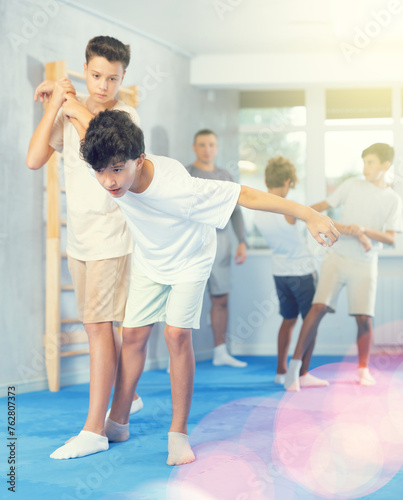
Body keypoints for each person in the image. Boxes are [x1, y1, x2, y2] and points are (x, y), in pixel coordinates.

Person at [78, 109, 339, 465]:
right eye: (100, 171)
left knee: (175, 335)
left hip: (190, 258)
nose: (109, 181)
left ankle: (179, 434)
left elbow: (245, 195)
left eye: (117, 169)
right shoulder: (111, 162)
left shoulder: (179, 189)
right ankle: (118, 422)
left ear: (139, 160)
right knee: (134, 335)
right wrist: (65, 100)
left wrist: (308, 213)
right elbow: (87, 126)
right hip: (151, 258)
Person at [26, 36, 142, 460]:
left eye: (112, 78)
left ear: (123, 79)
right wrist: (55, 102)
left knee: (100, 330)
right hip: (80, 240)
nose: (102, 85)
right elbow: (35, 158)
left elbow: (101, 151)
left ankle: (95, 429)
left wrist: (68, 100)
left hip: (113, 239)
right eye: (95, 75)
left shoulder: (126, 115)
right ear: (85, 70)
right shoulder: (73, 107)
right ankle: (124, 399)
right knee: (101, 329)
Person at [284, 143, 403, 391]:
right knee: (317, 308)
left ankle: (363, 370)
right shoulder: (352, 185)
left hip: (365, 262)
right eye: (364, 162)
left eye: (370, 163)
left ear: (385, 166)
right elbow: (322, 207)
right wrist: (298, 212)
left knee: (364, 318)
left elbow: (391, 238)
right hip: (336, 257)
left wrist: (363, 230)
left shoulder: (392, 199)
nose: (365, 168)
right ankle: (295, 370)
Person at [253, 155, 327, 387]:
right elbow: (310, 212)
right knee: (310, 324)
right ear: (287, 181)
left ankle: (280, 371)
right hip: (302, 274)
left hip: (280, 273)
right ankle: (302, 374)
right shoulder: (288, 208)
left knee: (288, 320)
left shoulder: (257, 209)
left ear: (267, 181)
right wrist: (330, 203)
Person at [187, 129, 247, 368]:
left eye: (211, 144)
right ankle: (178, 355)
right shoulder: (186, 174)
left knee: (220, 298)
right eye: (202, 145)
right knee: (186, 298)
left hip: (220, 244)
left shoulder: (225, 176)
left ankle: (220, 352)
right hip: (192, 244)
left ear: (217, 147)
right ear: (195, 148)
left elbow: (237, 211)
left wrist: (242, 241)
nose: (207, 149)